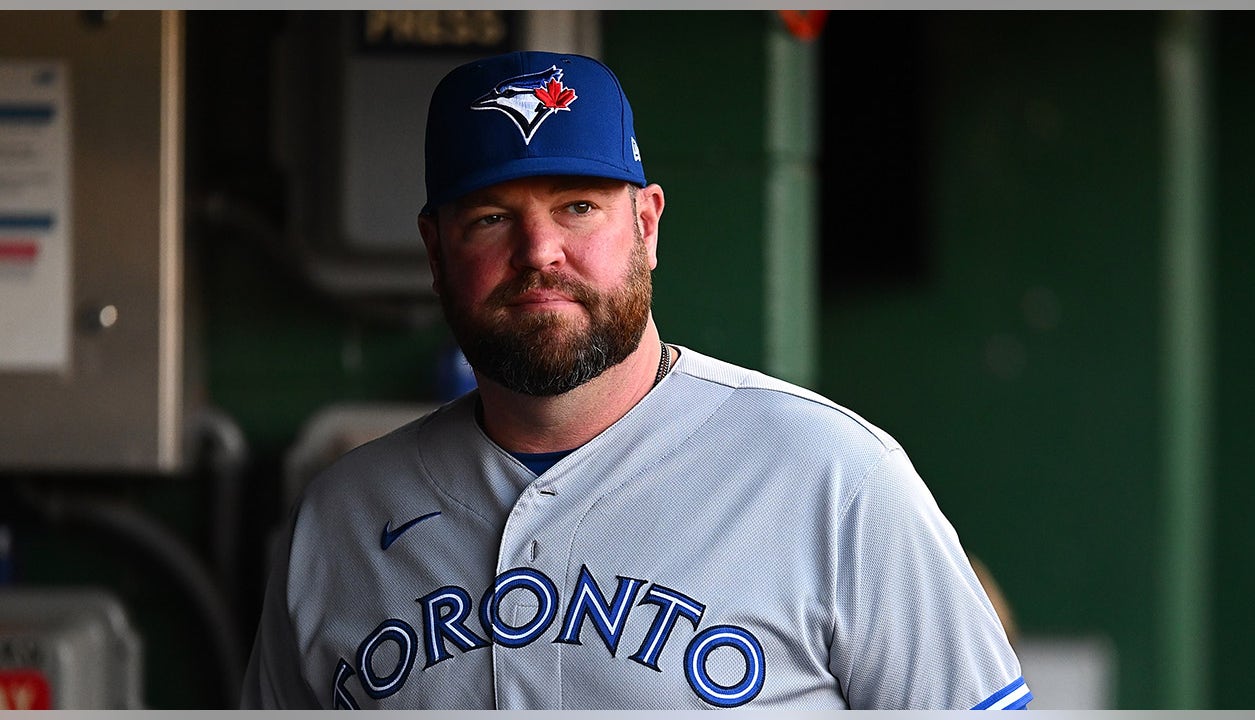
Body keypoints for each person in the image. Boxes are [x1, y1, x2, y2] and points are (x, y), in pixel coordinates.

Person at [241, 50, 1031, 710]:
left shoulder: (835, 479)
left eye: (578, 207)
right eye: (490, 217)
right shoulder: (340, 520)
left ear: (647, 226)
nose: (539, 251)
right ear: (435, 250)